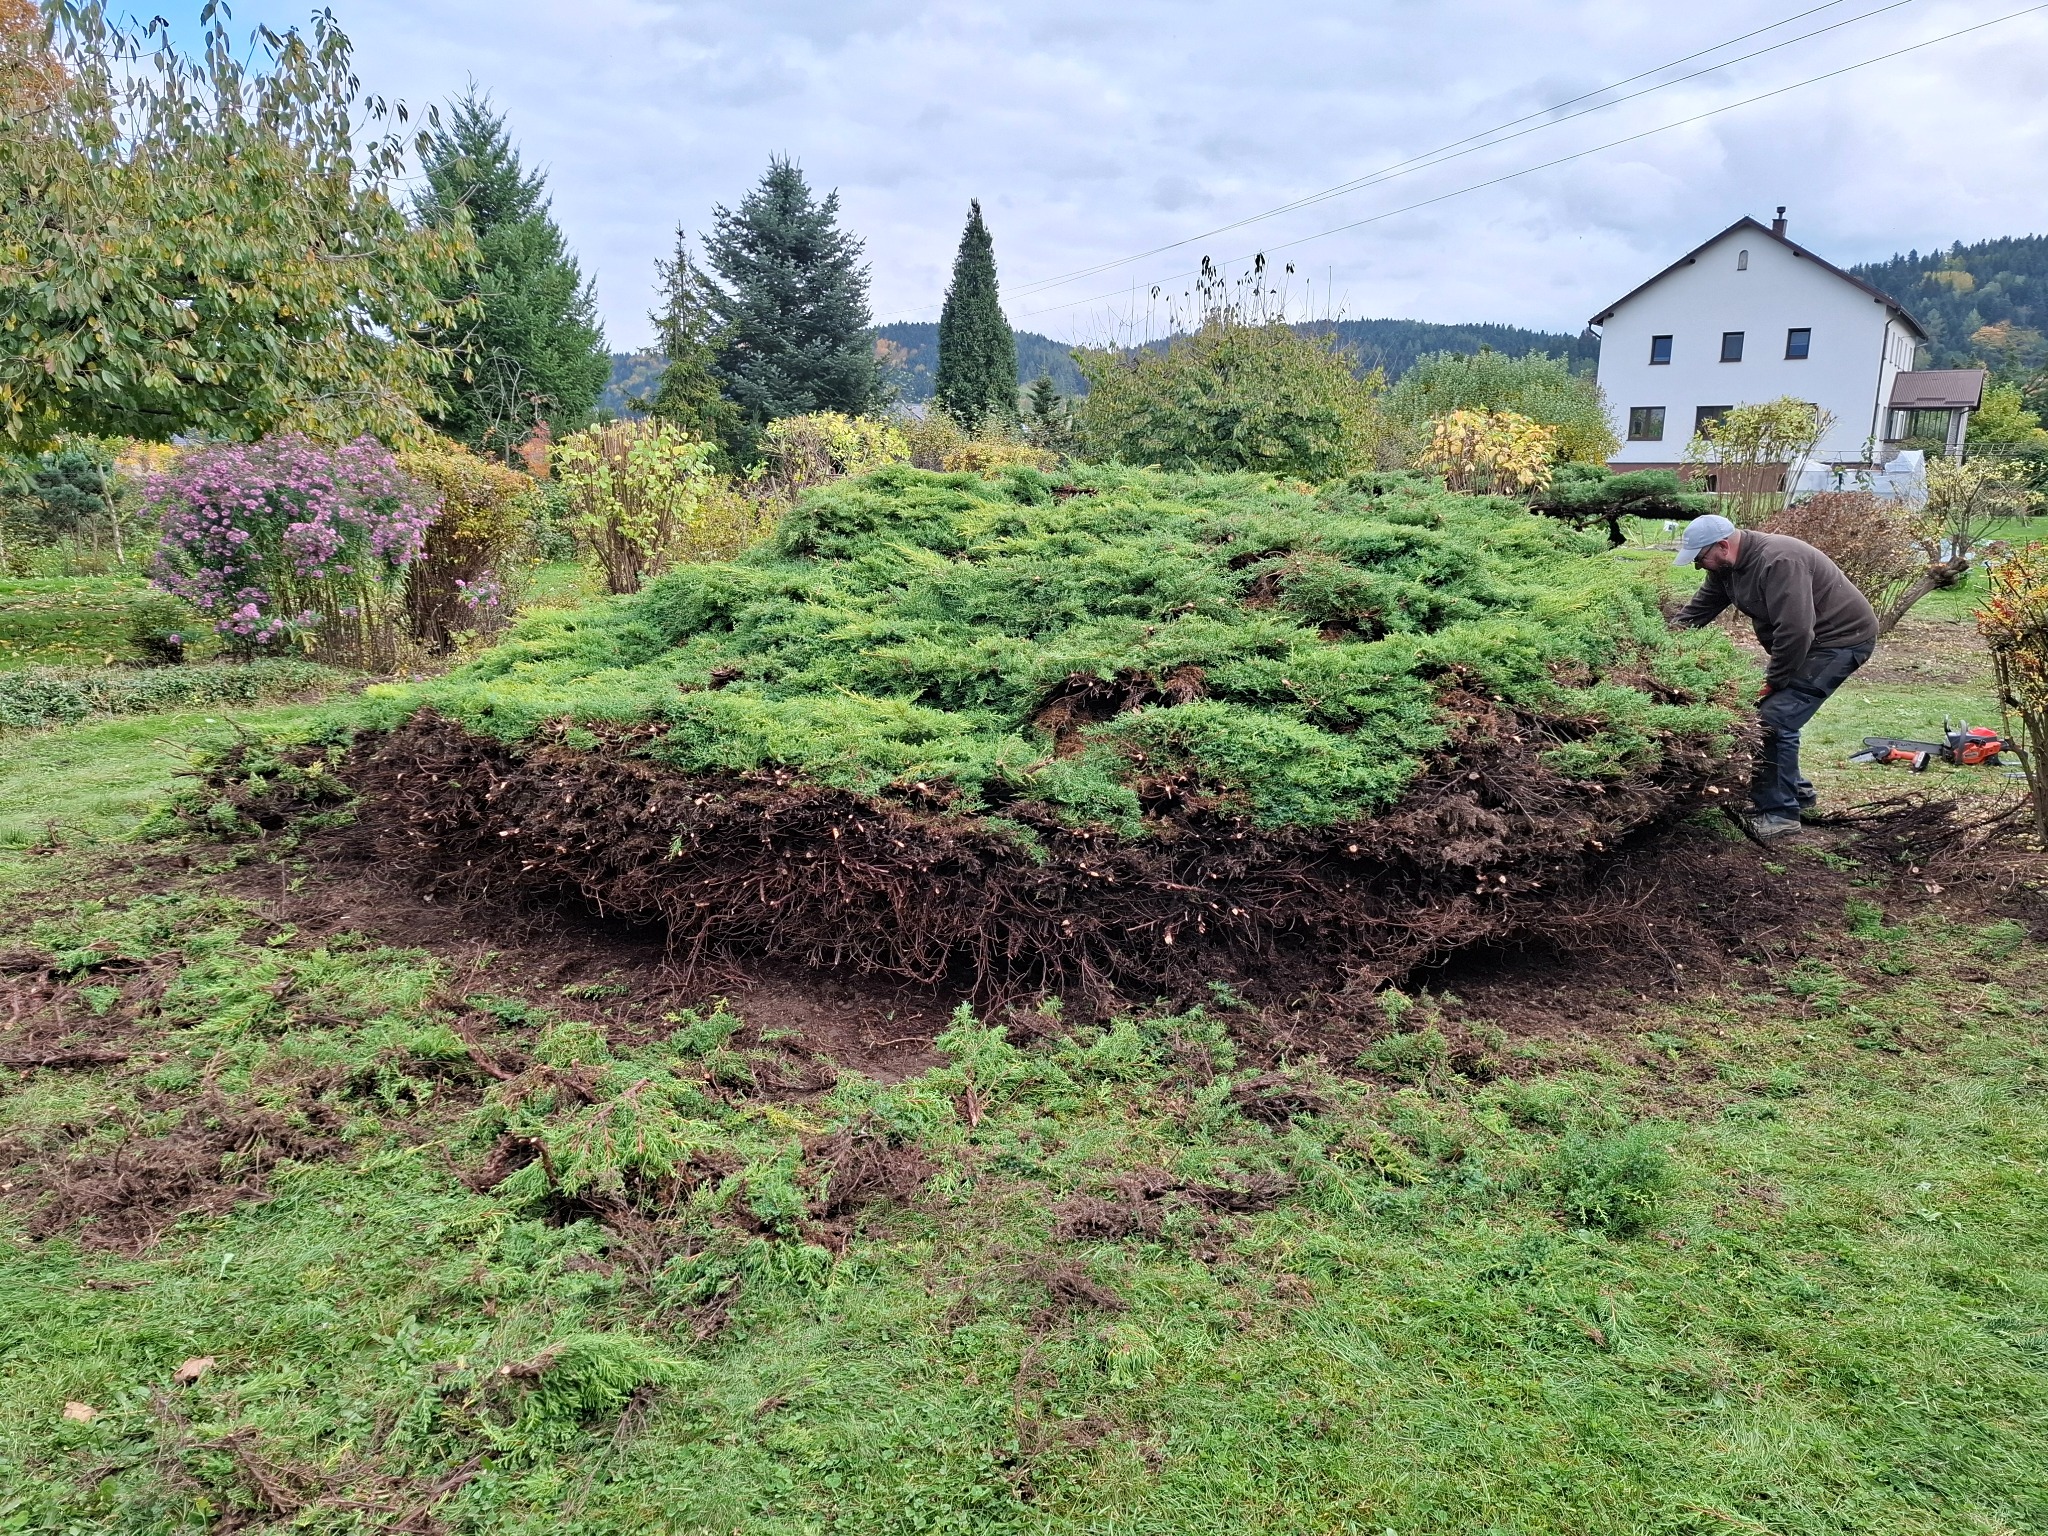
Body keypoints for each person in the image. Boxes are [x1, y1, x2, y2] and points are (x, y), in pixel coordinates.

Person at [1669, 513, 1878, 842]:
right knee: (1771, 716)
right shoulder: (1727, 569)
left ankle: (1780, 815)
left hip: (1839, 642)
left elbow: (1795, 632)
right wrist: (1662, 645)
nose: (1699, 566)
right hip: (1809, 644)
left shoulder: (1778, 559)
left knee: (1775, 719)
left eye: (1700, 559)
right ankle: (1800, 795)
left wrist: (1774, 680)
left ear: (1722, 546)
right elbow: (1697, 611)